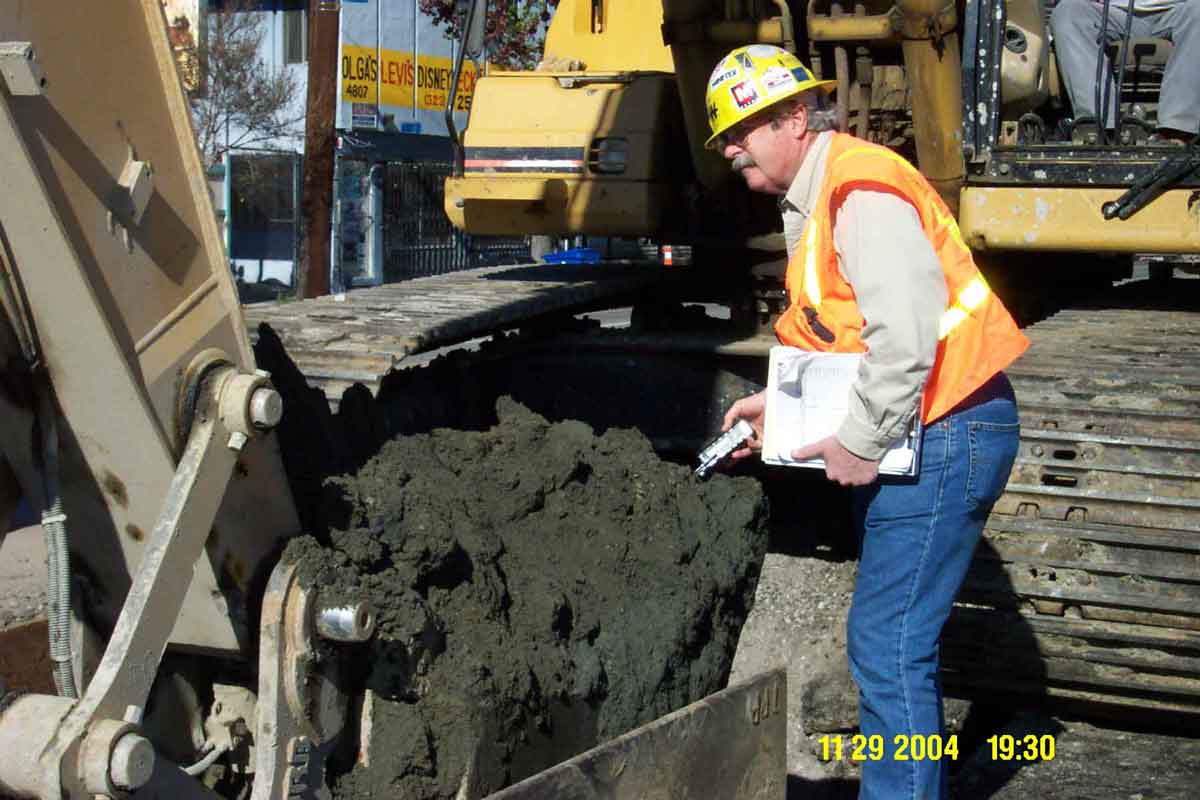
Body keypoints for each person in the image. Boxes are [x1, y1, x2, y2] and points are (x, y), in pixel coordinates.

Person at [708, 44, 1030, 799]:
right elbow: (847, 334)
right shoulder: (825, 196)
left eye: (742, 128)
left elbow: (909, 337)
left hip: (948, 426)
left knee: (888, 644)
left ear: (794, 116)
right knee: (891, 640)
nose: (728, 147)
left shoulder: (859, 189)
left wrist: (858, 438)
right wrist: (779, 412)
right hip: (931, 425)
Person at [1050, 0, 1200, 142]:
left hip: (1179, 10)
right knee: (1067, 12)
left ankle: (1177, 131)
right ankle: (1099, 129)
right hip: (1111, 12)